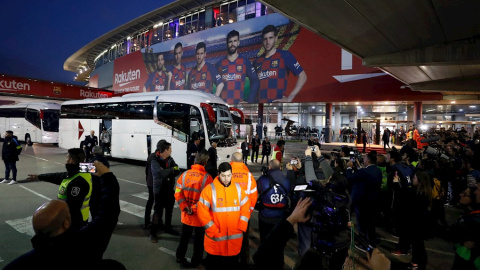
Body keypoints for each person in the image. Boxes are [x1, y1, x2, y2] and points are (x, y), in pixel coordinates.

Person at [4, 161, 122, 270]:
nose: (68, 161)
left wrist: (40, 176)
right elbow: (108, 214)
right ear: (66, 223)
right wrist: (107, 176)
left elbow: (62, 175)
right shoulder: (84, 244)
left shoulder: (24, 262)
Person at [197, 162, 251, 270]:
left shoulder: (238, 189)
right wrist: (212, 230)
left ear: (232, 174)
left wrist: (242, 226)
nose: (226, 179)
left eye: (229, 175)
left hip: (234, 241)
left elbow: (246, 207)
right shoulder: (209, 190)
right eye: (223, 175)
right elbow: (202, 212)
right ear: (218, 174)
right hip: (215, 242)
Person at [27, 148, 92, 231]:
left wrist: (61, 222)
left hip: (74, 221)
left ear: (71, 160)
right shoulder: (81, 170)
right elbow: (59, 176)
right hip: (80, 218)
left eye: (67, 157)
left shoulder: (77, 181)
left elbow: (72, 208)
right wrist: (39, 177)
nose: (65, 160)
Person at [174, 150, 213, 268]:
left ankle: (179, 257)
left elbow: (177, 193)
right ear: (205, 162)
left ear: (195, 161)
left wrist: (185, 207)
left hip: (186, 215)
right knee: (199, 240)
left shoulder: (184, 175)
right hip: (199, 217)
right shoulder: (207, 178)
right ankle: (196, 261)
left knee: (184, 238)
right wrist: (193, 209)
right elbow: (206, 200)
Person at [253, 24, 307, 103]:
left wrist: (289, 98)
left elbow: (303, 76)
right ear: (262, 40)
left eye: (270, 38)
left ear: (276, 38)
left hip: (277, 108)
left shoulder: (285, 55)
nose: (268, 42)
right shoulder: (257, 61)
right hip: (260, 107)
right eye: (265, 39)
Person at [346, 152, 383, 247]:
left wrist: (349, 168)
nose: (363, 160)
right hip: (374, 201)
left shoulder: (364, 172)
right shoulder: (378, 170)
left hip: (363, 202)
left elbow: (351, 177)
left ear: (368, 160)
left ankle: (363, 243)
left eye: (365, 158)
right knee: (371, 224)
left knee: (362, 224)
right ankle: (372, 241)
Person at [215, 30, 259, 103]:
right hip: (223, 107)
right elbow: (211, 83)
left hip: (239, 107)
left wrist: (250, 100)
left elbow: (255, 80)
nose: (232, 44)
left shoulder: (245, 62)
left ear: (238, 42)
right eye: (230, 41)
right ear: (227, 44)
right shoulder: (219, 64)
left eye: (235, 41)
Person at [230, 152, 258, 267]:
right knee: (244, 241)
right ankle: (244, 263)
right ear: (242, 161)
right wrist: (248, 212)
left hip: (228, 216)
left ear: (231, 160)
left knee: (230, 241)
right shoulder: (249, 177)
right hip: (244, 216)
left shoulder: (225, 174)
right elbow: (253, 197)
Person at [150, 141, 181, 242]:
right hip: (159, 190)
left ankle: (168, 227)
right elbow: (160, 173)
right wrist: (171, 170)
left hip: (169, 189)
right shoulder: (154, 160)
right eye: (170, 149)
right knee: (157, 213)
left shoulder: (170, 159)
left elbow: (177, 169)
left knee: (169, 211)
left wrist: (169, 170)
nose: (171, 151)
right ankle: (153, 233)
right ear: (165, 150)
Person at [256, 159, 290, 243]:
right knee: (277, 242)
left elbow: (256, 192)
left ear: (269, 167)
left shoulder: (263, 179)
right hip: (280, 216)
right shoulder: (286, 180)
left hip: (265, 216)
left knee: (264, 240)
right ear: (280, 168)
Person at [144, 140, 165, 229]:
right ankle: (152, 223)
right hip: (154, 183)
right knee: (155, 203)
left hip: (151, 182)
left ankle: (150, 221)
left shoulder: (151, 156)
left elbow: (146, 170)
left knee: (152, 202)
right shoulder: (155, 157)